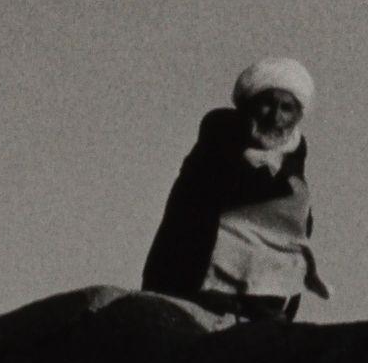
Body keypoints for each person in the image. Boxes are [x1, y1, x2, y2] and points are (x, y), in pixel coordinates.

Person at [140, 57, 330, 324]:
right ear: (249, 106)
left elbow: (296, 229)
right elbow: (210, 205)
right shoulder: (219, 137)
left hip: (263, 298)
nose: (275, 117)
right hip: (193, 280)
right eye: (267, 104)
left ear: (297, 116)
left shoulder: (294, 160)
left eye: (286, 108)